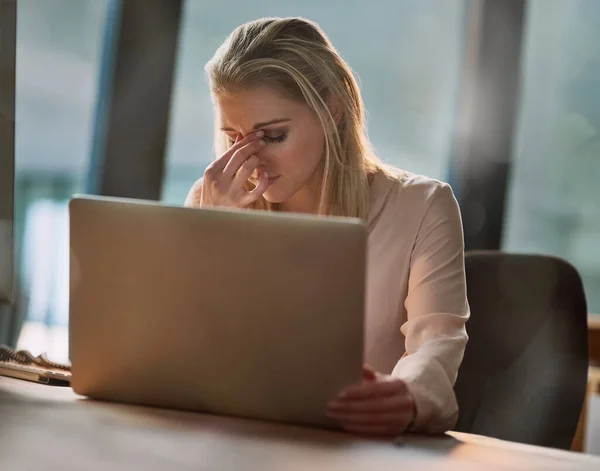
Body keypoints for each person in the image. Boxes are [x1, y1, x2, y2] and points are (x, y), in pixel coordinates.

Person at [185, 17, 469, 437]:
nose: (250, 160)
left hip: (356, 445)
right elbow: (186, 353)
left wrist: (406, 395)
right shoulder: (213, 201)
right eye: (233, 138)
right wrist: (221, 239)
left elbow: (436, 344)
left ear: (332, 110)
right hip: (232, 439)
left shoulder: (422, 206)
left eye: (274, 136)